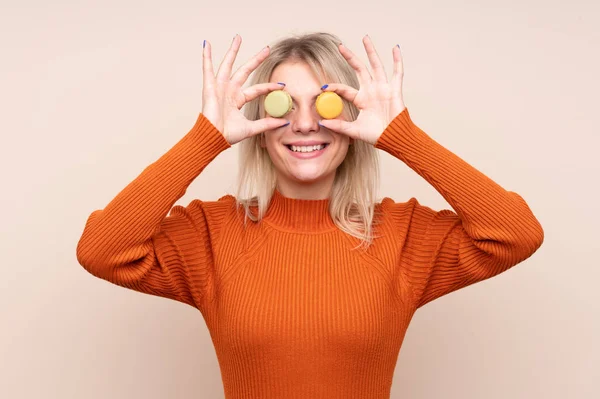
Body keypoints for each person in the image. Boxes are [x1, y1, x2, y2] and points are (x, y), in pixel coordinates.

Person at [76, 32, 544, 398]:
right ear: (259, 128)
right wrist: (206, 137)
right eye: (284, 106)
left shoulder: (401, 236)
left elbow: (515, 233)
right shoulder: (211, 235)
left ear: (354, 121)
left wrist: (402, 135)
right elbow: (102, 251)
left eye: (326, 103)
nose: (304, 124)